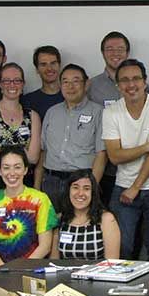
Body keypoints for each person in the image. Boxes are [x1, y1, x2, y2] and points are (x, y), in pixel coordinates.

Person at [101, 59, 149, 262]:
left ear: (145, 82)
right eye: (124, 80)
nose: (130, 84)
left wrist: (136, 187)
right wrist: (147, 146)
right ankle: (123, 292)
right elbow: (115, 156)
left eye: (136, 79)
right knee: (121, 246)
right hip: (122, 187)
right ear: (118, 86)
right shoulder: (111, 112)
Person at [36, 64, 106, 210]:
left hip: (81, 182)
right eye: (65, 82)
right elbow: (43, 152)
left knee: (77, 228)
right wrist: (37, 188)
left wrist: (90, 187)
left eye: (76, 81)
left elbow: (102, 154)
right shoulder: (52, 112)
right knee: (49, 228)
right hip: (51, 181)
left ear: (86, 84)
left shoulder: (99, 112)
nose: (70, 86)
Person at [0, 146, 58, 266]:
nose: (12, 173)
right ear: (0, 170)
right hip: (0, 269)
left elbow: (45, 246)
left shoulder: (40, 200)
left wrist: (19, 268)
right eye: (6, 168)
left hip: (32, 268)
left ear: (25, 170)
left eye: (17, 167)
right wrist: (2, 268)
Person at [0, 63, 41, 204]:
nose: (12, 85)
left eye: (17, 80)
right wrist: (22, 151)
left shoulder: (32, 116)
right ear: (0, 84)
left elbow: (33, 158)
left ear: (23, 84)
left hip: (23, 184)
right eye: (7, 81)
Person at [87, 31, 133, 204]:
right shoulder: (91, 85)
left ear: (127, 53)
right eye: (110, 49)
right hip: (104, 168)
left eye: (120, 49)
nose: (115, 53)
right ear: (103, 53)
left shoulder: (138, 83)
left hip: (134, 166)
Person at [51, 169, 120, 260]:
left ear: (93, 193)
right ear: (68, 191)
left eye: (86, 188)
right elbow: (54, 261)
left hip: (97, 273)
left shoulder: (106, 219)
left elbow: (112, 262)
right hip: (66, 273)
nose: (80, 193)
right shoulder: (60, 219)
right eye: (75, 187)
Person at [22, 45, 63, 122]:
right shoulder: (27, 101)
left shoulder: (71, 97)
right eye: (43, 64)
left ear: (59, 65)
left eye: (53, 63)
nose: (49, 68)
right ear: (37, 69)